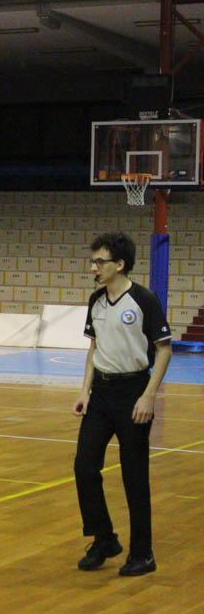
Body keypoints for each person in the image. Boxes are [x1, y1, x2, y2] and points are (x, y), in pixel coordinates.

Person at [72, 231, 172, 577]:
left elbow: (164, 350)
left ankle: (142, 554)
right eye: (92, 262)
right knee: (84, 467)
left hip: (133, 393)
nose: (93, 268)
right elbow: (93, 348)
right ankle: (104, 539)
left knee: (134, 476)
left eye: (99, 262)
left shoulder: (144, 299)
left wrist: (148, 396)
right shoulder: (96, 300)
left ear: (120, 264)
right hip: (100, 394)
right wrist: (84, 391)